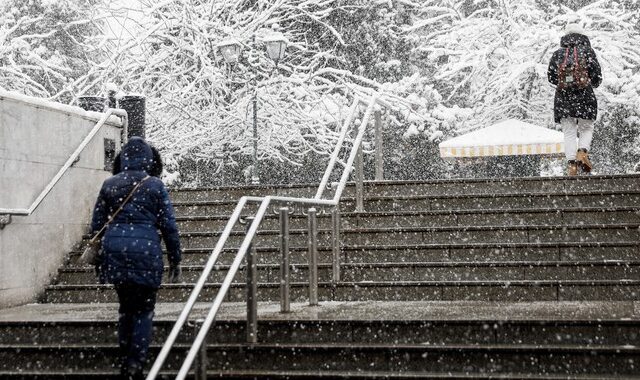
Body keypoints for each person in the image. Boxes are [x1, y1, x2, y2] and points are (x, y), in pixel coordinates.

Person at [91, 137, 182, 380]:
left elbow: (96, 227)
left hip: (116, 250)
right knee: (144, 309)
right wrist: (175, 257)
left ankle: (125, 358)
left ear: (124, 158)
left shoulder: (109, 184)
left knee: (126, 308)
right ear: (149, 159)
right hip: (145, 252)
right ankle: (135, 363)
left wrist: (100, 261)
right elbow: (169, 226)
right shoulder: (154, 185)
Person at [547, 23, 602, 176]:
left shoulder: (558, 54)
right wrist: (589, 81)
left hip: (563, 98)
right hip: (585, 96)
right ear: (583, 36)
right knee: (586, 127)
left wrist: (566, 81)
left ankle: (571, 164)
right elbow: (597, 76)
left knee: (569, 131)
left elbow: (551, 78)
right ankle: (582, 153)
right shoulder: (588, 51)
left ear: (565, 37)